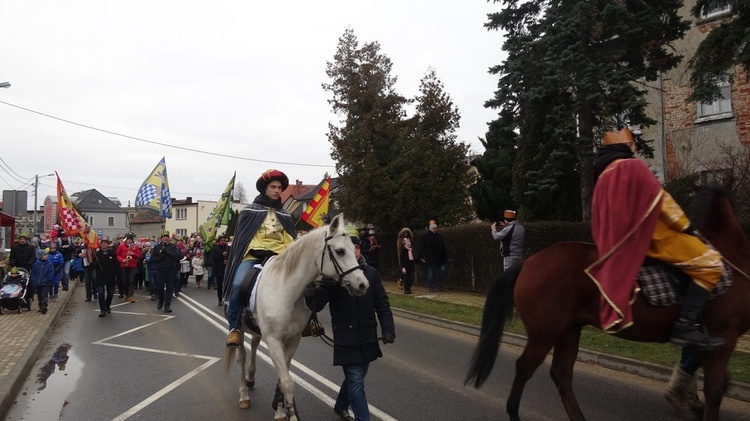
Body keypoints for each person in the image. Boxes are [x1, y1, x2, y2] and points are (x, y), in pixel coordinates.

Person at [587, 127, 725, 349]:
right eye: (633, 146)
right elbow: (661, 200)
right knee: (711, 264)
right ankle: (686, 325)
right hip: (655, 237)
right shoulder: (632, 166)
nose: (634, 150)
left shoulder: (603, 175)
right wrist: (686, 226)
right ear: (626, 147)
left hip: (621, 243)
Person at [305, 236, 395, 421]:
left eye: (356, 247)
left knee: (358, 377)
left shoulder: (371, 274)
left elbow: (382, 303)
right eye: (349, 248)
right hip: (346, 337)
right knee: (356, 381)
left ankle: (340, 405)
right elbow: (318, 304)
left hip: (368, 335)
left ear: (360, 250)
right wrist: (311, 294)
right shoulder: (334, 278)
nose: (353, 250)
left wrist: (388, 328)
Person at [223, 169, 296, 348]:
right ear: (265, 189)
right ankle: (234, 329)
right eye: (273, 187)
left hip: (279, 258)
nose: (277, 190)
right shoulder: (249, 212)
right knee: (238, 284)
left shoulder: (285, 215)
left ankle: (310, 321)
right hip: (253, 256)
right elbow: (242, 238)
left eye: (279, 187)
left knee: (303, 283)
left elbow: (290, 239)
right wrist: (257, 250)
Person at [149, 232, 182, 313]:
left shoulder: (173, 246)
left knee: (169, 288)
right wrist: (161, 257)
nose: (165, 238)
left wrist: (167, 252)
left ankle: (167, 305)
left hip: (170, 270)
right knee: (160, 287)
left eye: (167, 237)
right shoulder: (157, 247)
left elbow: (178, 256)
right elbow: (152, 259)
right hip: (160, 270)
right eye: (164, 237)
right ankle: (161, 301)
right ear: (161, 238)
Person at [417, 220, 448, 293]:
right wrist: (419, 256)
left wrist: (445, 255)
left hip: (439, 258)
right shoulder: (425, 237)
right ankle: (431, 286)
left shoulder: (439, 236)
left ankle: (438, 284)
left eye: (435, 228)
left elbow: (443, 247)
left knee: (442, 270)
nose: (434, 230)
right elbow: (421, 247)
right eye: (433, 228)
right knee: (431, 273)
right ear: (430, 229)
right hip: (430, 258)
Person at [95, 238, 119, 317]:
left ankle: (107, 305)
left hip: (110, 276)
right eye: (102, 243)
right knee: (101, 293)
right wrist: (96, 263)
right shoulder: (97, 254)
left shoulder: (112, 253)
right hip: (100, 276)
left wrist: (118, 275)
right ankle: (102, 309)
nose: (103, 245)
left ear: (108, 245)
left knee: (110, 293)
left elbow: (116, 265)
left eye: (105, 243)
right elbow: (92, 265)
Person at [116, 234, 142, 303]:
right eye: (128, 239)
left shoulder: (135, 247)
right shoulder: (121, 246)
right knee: (125, 281)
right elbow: (118, 255)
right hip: (124, 265)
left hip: (132, 266)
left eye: (130, 240)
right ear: (126, 240)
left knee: (131, 280)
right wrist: (122, 260)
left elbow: (139, 255)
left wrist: (133, 254)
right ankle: (126, 294)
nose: (129, 241)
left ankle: (130, 296)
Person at [30, 249, 54, 314]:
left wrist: (48, 280)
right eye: (44, 255)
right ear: (40, 256)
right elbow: (33, 274)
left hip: (46, 283)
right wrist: (34, 280)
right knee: (39, 295)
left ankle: (44, 306)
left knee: (44, 295)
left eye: (46, 255)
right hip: (38, 283)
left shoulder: (49, 264)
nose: (46, 256)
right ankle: (40, 305)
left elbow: (51, 273)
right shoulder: (35, 265)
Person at [211, 236, 229, 305]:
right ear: (219, 241)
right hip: (219, 268)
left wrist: (227, 260)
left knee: (227, 284)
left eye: (224, 240)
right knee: (220, 285)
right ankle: (220, 299)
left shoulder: (227, 248)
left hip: (226, 268)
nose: (223, 241)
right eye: (221, 240)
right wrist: (222, 255)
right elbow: (214, 258)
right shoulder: (215, 249)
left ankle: (226, 297)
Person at [397, 228, 415, 294]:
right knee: (406, 276)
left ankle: (408, 288)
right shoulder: (403, 251)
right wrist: (403, 266)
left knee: (411, 276)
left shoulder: (411, 250)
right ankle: (406, 288)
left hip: (410, 263)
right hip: (405, 264)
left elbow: (412, 258)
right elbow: (402, 258)